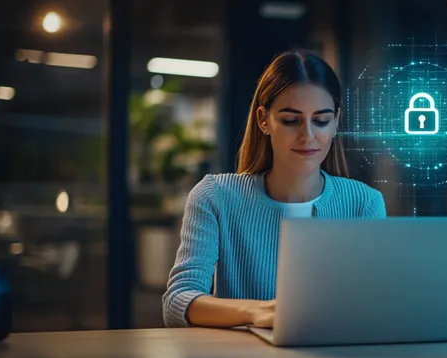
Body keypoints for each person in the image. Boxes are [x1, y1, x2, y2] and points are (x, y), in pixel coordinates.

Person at [162, 50, 386, 329]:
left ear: (337, 120)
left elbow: (373, 304)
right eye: (291, 120)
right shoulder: (215, 196)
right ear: (263, 120)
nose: (308, 136)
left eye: (321, 120)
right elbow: (178, 301)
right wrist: (257, 312)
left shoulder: (364, 203)